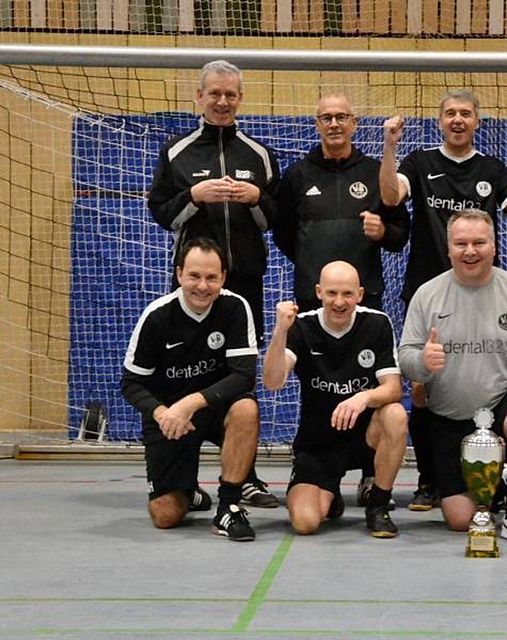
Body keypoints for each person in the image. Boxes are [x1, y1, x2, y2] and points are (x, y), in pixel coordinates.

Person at [381, 90, 507, 511]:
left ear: (477, 121)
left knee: (486, 380)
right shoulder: (420, 163)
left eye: (465, 113)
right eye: (449, 114)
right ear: (439, 121)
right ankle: (431, 479)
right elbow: (391, 196)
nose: (457, 119)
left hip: (481, 289)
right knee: (424, 389)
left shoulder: (491, 169)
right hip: (433, 290)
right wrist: (390, 146)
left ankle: (500, 480)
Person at [148, 59, 281, 509]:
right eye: (214, 94)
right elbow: (162, 212)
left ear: (240, 99)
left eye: (231, 94)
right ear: (199, 98)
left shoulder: (258, 154)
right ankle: (179, 469)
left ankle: (243, 477)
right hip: (195, 286)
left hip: (244, 284)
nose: (222, 101)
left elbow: (274, 220)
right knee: (185, 371)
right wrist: (193, 197)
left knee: (240, 380)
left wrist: (257, 199)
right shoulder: (177, 151)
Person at [273, 93, 409, 506]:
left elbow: (400, 234)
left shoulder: (374, 171)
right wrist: (319, 274)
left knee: (370, 386)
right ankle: (314, 465)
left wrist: (381, 233)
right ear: (317, 124)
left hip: (365, 303)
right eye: (326, 117)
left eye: (342, 117)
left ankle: (371, 474)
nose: (334, 124)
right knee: (314, 384)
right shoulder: (296, 175)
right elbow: (283, 235)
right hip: (312, 306)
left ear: (354, 124)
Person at [398, 209, 507, 546]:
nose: (470, 251)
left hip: (503, 403)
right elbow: (407, 359)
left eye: (479, 242)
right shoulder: (427, 295)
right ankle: (493, 487)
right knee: (460, 520)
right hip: (450, 417)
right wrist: (424, 362)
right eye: (461, 243)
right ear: (449, 249)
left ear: (494, 246)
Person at [121, 237, 260, 541]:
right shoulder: (157, 316)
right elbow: (131, 383)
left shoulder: (235, 307)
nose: (203, 286)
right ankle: (190, 492)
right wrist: (162, 413)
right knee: (166, 515)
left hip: (214, 410)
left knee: (246, 407)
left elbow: (244, 376)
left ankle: (229, 507)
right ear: (180, 273)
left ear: (223, 277)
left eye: (212, 277)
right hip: (170, 418)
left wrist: (192, 402)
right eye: (195, 276)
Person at [262, 261, 408, 538]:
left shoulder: (376, 323)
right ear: (318, 292)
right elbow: (272, 382)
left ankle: (377, 506)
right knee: (305, 524)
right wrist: (280, 330)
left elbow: (393, 389)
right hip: (319, 443)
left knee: (395, 414)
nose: (339, 302)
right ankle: (330, 495)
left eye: (347, 294)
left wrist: (362, 398)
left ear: (360, 294)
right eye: (331, 293)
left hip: (364, 438)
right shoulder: (301, 326)